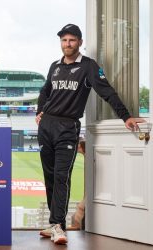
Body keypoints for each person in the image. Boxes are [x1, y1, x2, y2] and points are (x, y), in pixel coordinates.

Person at [35, 24, 145, 245]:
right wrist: (40, 110)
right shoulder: (54, 66)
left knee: (61, 176)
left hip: (68, 128)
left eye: (72, 40)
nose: (68, 44)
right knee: (49, 178)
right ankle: (54, 223)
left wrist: (126, 117)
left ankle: (58, 225)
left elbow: (107, 91)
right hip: (46, 127)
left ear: (80, 42)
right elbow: (45, 90)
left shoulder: (88, 67)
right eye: (64, 40)